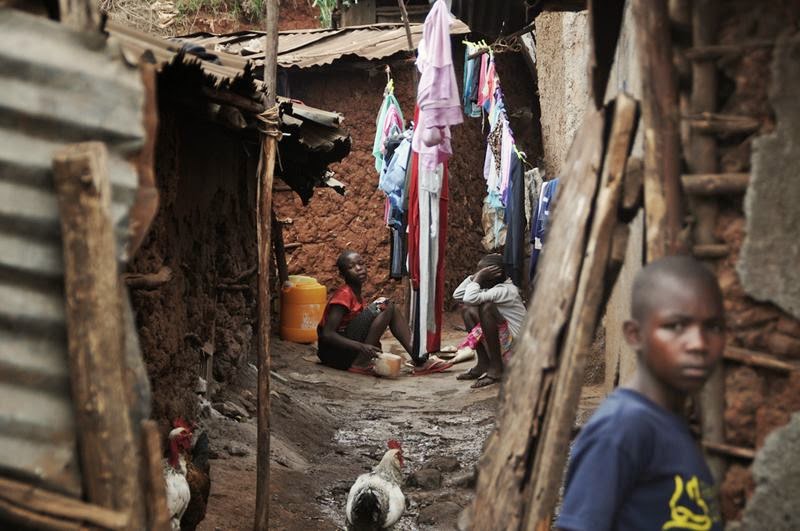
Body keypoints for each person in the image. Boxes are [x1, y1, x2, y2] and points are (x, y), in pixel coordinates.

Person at [556, 255, 725, 531]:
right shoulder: (621, 428)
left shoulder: (670, 424)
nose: (699, 343)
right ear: (634, 335)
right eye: (676, 326)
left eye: (713, 327)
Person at [317, 250, 451, 374]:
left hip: (343, 351)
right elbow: (327, 334)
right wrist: (362, 347)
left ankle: (419, 359)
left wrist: (372, 346)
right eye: (351, 267)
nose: (359, 268)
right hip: (333, 354)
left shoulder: (356, 294)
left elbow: (360, 326)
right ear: (343, 274)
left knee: (390, 307)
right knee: (385, 304)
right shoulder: (343, 295)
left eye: (361, 264)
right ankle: (361, 362)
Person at [452, 253, 526, 388]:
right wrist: (475, 277)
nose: (479, 276)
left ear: (494, 276)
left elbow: (469, 298)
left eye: (483, 274)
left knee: (487, 308)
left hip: (518, 351)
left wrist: (478, 279)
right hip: (507, 344)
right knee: (467, 310)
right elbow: (457, 295)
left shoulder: (506, 290)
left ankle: (496, 369)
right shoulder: (493, 287)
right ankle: (483, 363)